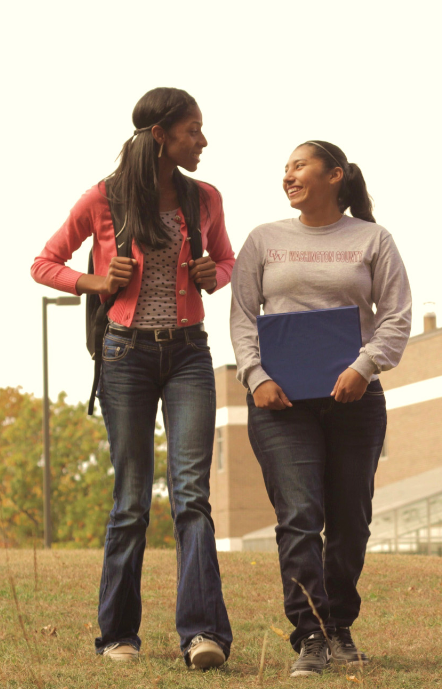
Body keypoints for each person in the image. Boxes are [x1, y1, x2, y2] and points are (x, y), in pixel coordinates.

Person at [31, 87, 234, 669]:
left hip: (190, 355)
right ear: (161, 136)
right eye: (193, 130)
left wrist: (210, 274)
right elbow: (44, 261)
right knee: (131, 499)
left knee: (192, 493)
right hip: (125, 358)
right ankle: (117, 635)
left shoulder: (205, 199)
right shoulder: (104, 198)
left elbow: (228, 261)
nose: (202, 140)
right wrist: (96, 282)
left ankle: (202, 634)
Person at [230, 140, 411, 678]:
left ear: (335, 175)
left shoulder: (373, 239)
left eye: (299, 165)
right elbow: (242, 318)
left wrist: (365, 366)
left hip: (354, 401)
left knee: (351, 521)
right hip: (281, 405)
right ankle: (310, 633)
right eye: (284, 169)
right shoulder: (263, 240)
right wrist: (256, 376)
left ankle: (339, 626)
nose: (288, 175)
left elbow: (396, 316)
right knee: (301, 517)